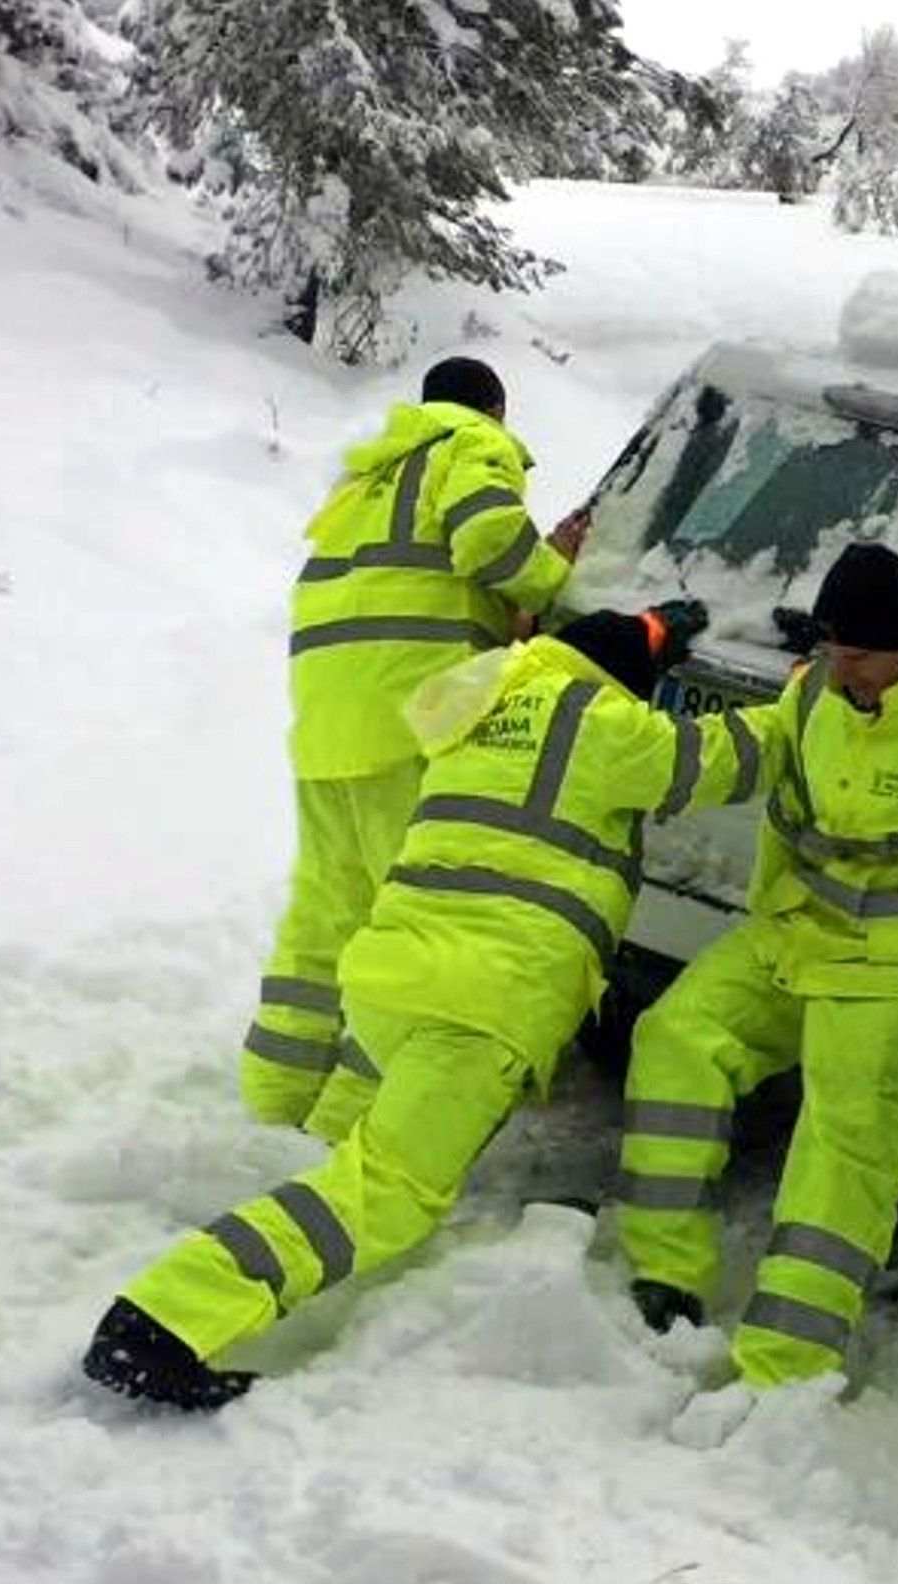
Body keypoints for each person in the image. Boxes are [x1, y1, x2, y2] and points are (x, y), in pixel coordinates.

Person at [84, 600, 776, 1410]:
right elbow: (720, 756)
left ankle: (252, 1224)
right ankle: (161, 1322)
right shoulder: (601, 723)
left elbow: (602, 652)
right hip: (483, 996)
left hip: (398, 974)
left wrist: (654, 625)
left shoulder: (487, 705)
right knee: (391, 1190)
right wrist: (817, 689)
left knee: (362, 1145)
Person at [613, 543, 898, 1388]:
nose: (840, 670)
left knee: (844, 1127)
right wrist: (614, 757)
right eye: (831, 651)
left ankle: (786, 1362)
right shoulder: (816, 684)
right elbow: (749, 757)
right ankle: (663, 1271)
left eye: (858, 656)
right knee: (676, 1036)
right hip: (799, 933)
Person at [244, 356, 590, 1136]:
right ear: (494, 408)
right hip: (412, 717)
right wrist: (556, 583)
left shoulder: (367, 478)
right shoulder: (473, 443)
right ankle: (348, 1122)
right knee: (415, 917)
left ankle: (273, 1096)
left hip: (327, 720)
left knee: (326, 909)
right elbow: (491, 544)